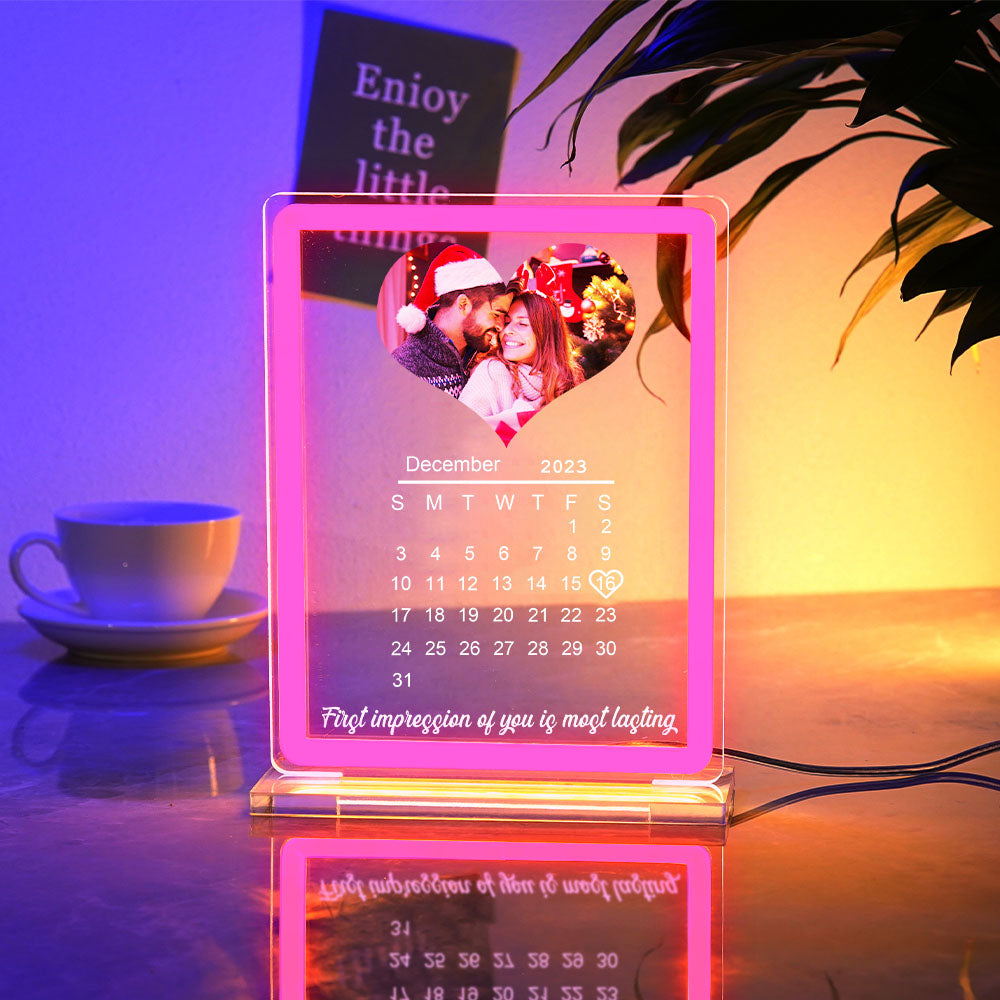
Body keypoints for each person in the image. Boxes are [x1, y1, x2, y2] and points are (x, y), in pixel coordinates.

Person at [393, 245, 513, 398]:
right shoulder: (404, 369)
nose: (501, 326)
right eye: (496, 314)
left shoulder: (483, 364)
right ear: (463, 305)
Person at [458, 290, 582, 423]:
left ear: (546, 333)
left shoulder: (565, 379)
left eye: (522, 324)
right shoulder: (493, 371)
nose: (506, 330)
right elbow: (462, 428)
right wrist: (522, 414)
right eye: (506, 322)